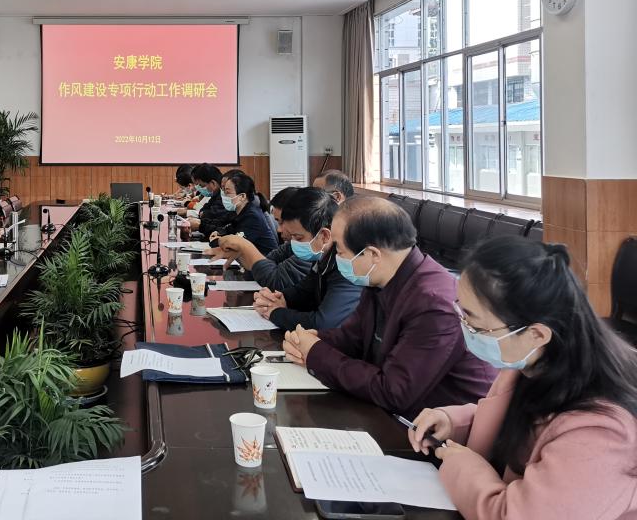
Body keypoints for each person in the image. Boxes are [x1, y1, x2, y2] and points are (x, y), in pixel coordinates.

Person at [408, 237, 637, 520]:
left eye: (474, 322)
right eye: (461, 311)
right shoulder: (530, 361)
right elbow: (515, 422)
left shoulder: (603, 431)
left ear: (537, 334)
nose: (464, 328)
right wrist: (454, 422)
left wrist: (460, 465)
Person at [282, 196, 496, 416]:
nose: (335, 256)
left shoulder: (434, 304)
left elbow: (394, 391)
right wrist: (313, 339)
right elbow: (353, 338)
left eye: (340, 251)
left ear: (372, 254)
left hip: (438, 427)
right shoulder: (380, 279)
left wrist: (316, 352)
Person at [221, 187, 362, 330]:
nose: (292, 242)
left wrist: (275, 313)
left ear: (324, 235)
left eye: (298, 237)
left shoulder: (348, 266)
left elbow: (323, 323)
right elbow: (304, 291)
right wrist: (278, 298)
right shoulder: (322, 255)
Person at [207, 172, 278, 256]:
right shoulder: (239, 211)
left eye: (227, 193)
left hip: (265, 261)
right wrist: (219, 232)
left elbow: (236, 246)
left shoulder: (252, 216)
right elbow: (229, 229)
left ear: (242, 196)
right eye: (223, 192)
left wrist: (217, 241)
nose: (224, 196)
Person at [187, 163, 234, 237]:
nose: (198, 188)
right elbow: (204, 211)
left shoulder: (225, 198)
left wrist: (200, 225)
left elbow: (212, 216)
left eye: (201, 185)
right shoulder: (215, 195)